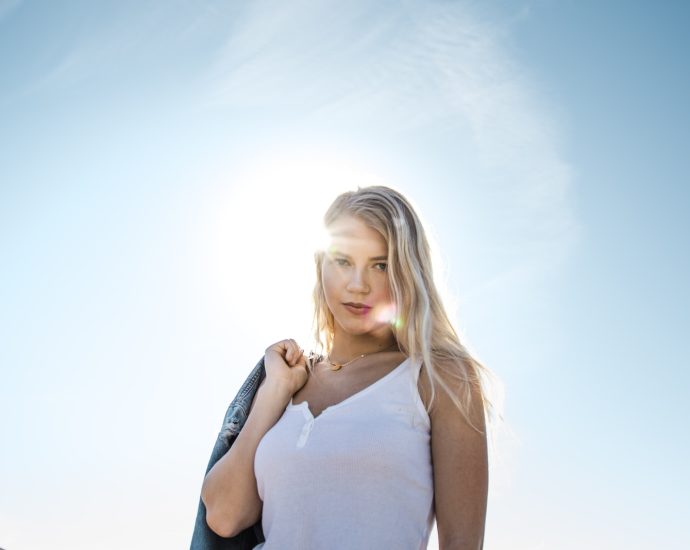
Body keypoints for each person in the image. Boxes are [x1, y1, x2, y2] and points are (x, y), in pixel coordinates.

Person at [199, 185, 494, 549]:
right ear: (320, 263)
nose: (358, 285)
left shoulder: (440, 379)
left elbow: (463, 544)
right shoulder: (287, 380)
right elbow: (224, 516)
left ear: (407, 272)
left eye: (381, 265)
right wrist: (274, 393)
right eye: (342, 261)